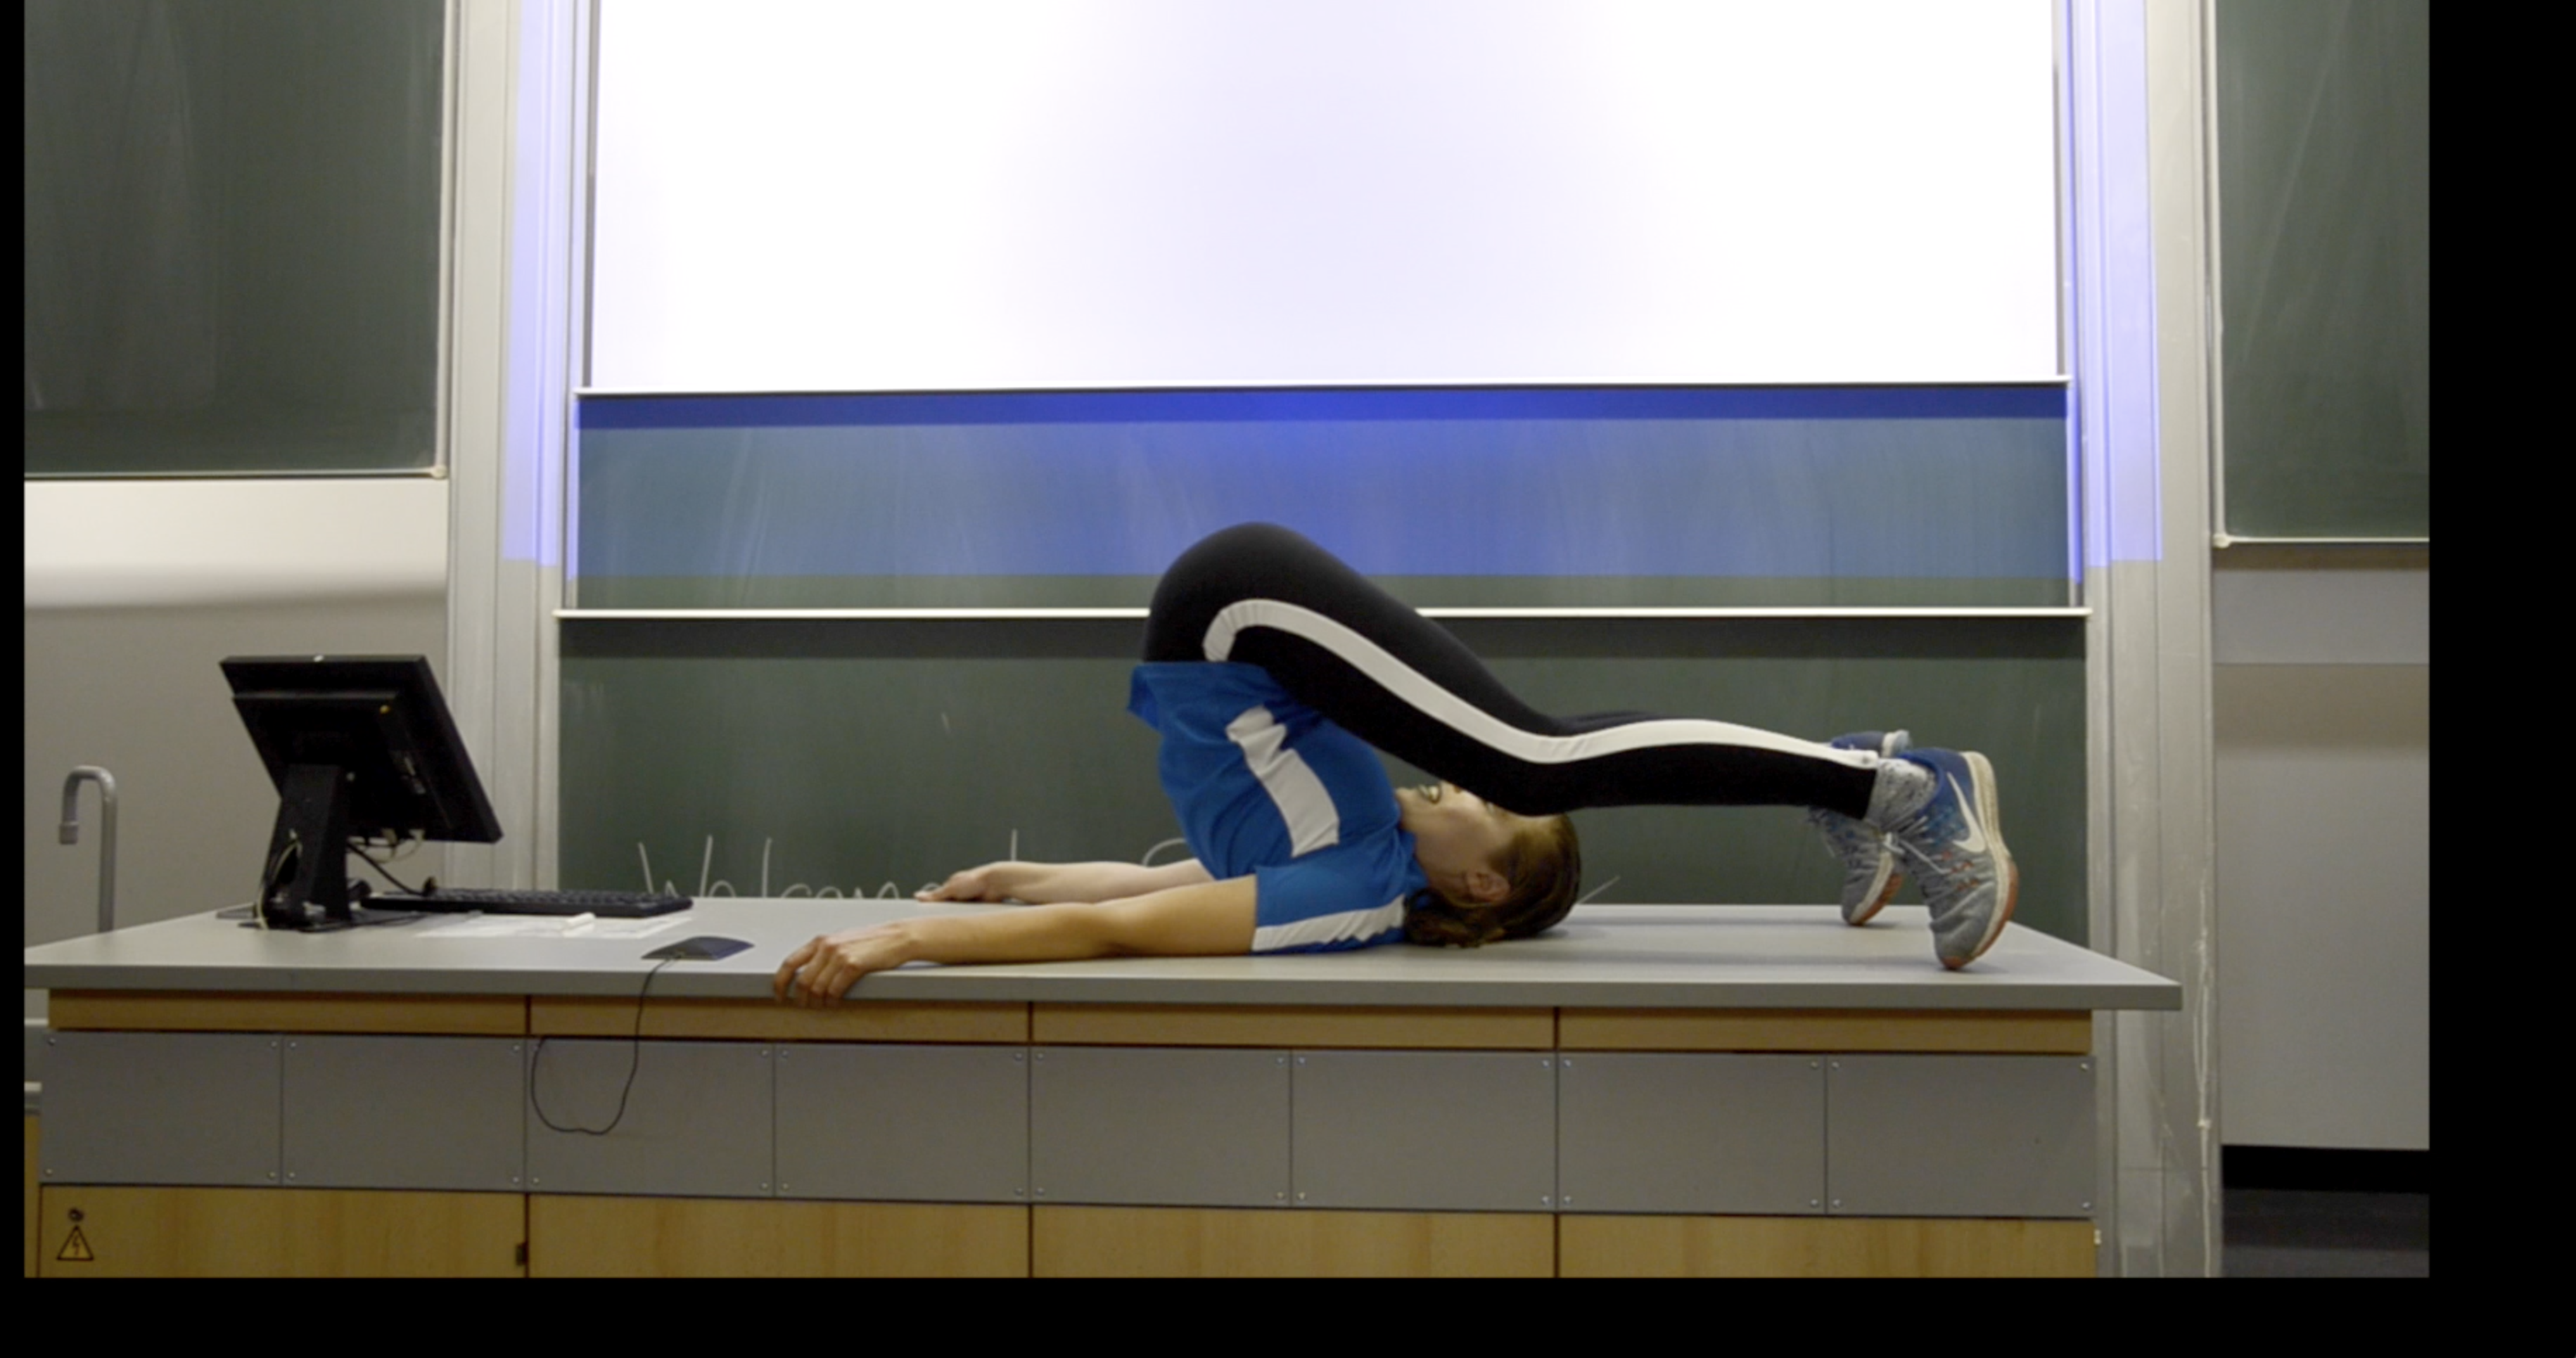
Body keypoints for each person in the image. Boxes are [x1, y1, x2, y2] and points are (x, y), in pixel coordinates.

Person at [775, 523, 2016, 1004]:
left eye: (1478, 818)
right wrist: (920, 939)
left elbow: (1131, 907)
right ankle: (1893, 787)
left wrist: (996, 891)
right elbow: (1132, 923)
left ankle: (1861, 777)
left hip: (1231, 620)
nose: (1452, 790)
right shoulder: (1355, 870)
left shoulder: (1347, 887)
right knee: (1533, 761)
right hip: (1237, 613)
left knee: (1529, 763)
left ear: (1477, 885)